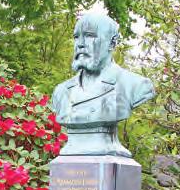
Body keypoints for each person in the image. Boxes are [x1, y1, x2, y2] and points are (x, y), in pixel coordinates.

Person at [51, 13, 155, 156]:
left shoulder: (134, 85)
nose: (80, 43)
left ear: (112, 43)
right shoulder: (61, 92)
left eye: (89, 36)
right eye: (76, 37)